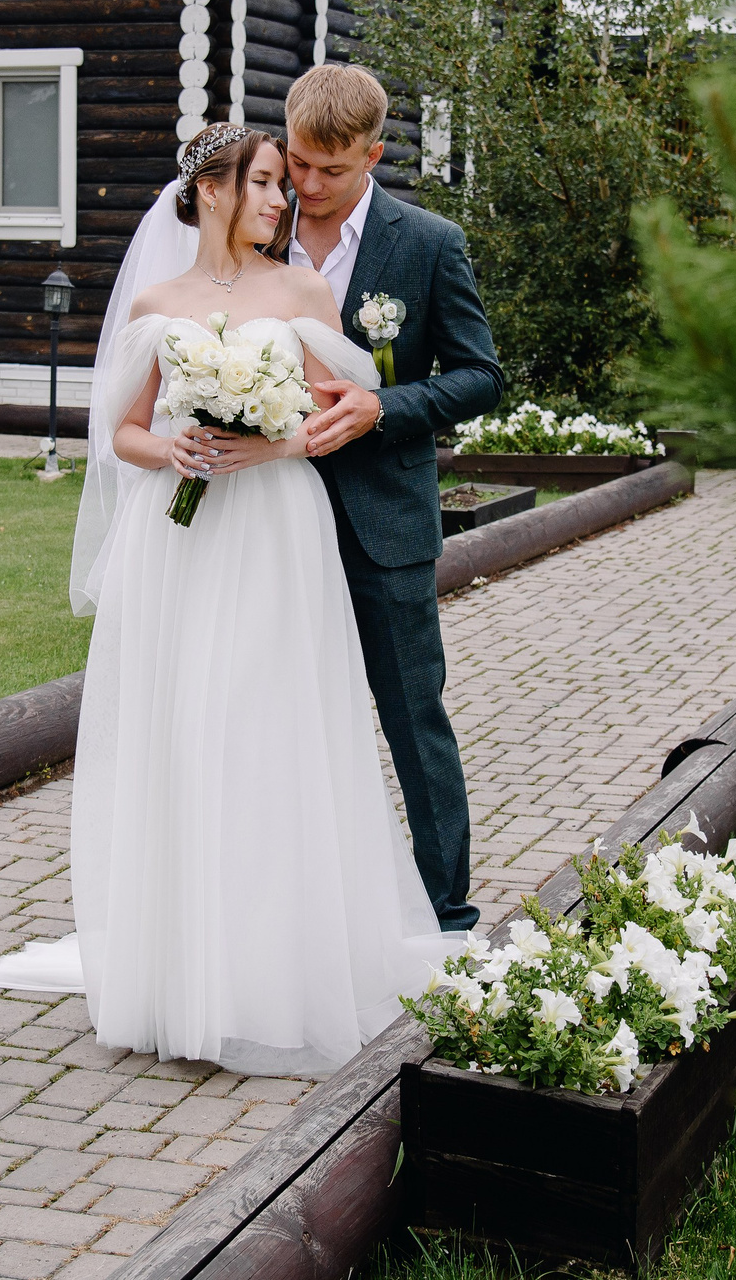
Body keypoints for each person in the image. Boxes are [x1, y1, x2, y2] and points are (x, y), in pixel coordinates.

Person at [0, 121, 456, 1074]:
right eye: (266, 183)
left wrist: (265, 443)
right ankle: (185, 970)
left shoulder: (302, 291)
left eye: (284, 184)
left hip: (277, 530)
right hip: (181, 540)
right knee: (187, 730)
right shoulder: (157, 302)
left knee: (269, 726)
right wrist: (178, 447)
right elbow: (122, 430)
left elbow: (331, 417)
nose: (283, 201)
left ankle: (277, 966)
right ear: (211, 191)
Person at [271, 64, 504, 933]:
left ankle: (446, 910)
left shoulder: (429, 242)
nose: (307, 184)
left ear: (373, 155)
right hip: (268, 518)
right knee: (275, 714)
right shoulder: (256, 230)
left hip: (387, 523)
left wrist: (384, 406)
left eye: (331, 169)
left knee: (413, 715)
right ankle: (294, 906)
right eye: (298, 161)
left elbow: (481, 375)